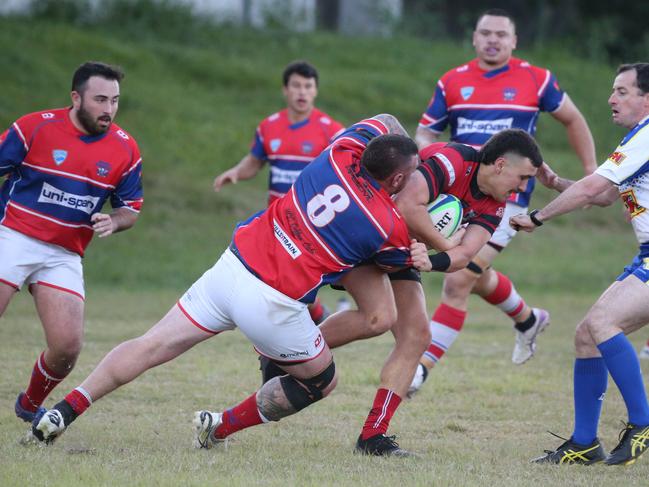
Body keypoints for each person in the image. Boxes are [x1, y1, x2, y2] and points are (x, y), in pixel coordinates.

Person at [30, 115, 431, 449]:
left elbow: (382, 120)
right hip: (272, 306)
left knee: (150, 345)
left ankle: (63, 410)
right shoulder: (386, 224)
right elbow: (398, 267)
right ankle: (217, 427)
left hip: (231, 268)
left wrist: (402, 143)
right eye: (411, 176)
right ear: (396, 182)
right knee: (322, 382)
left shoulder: (339, 151)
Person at [260, 129, 544, 456]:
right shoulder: (456, 160)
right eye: (522, 178)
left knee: (413, 334)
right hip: (369, 231)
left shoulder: (494, 205)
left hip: (402, 249)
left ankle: (372, 436)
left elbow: (465, 256)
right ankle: (286, 353)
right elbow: (409, 206)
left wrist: (432, 261)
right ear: (500, 164)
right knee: (379, 318)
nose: (523, 188)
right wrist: (442, 244)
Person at [409, 8, 597, 393]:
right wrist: (431, 159)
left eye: (501, 34)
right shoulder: (452, 82)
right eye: (485, 33)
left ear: (514, 41)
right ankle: (528, 319)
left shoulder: (537, 80)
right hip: (459, 195)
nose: (493, 39)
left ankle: (421, 368)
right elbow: (425, 133)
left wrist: (592, 172)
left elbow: (574, 120)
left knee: (459, 278)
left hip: (507, 198)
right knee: (474, 272)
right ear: (474, 38)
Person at [511, 63, 649, 466]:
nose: (611, 99)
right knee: (587, 334)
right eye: (613, 90)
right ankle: (585, 443)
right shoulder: (637, 140)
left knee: (603, 324)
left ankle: (642, 423)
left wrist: (538, 216)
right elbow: (603, 195)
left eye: (622, 91)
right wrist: (556, 184)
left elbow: (594, 187)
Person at [0, 61, 143, 424]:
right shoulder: (34, 128)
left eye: (115, 101)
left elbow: (131, 208)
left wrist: (115, 220)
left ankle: (30, 405)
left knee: (67, 348)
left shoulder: (125, 150)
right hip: (12, 234)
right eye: (100, 100)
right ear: (76, 97)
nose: (108, 109)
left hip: (63, 253)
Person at [213, 60, 345, 325]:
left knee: (295, 280)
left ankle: (329, 312)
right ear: (285, 90)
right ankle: (317, 318)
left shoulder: (332, 131)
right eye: (296, 85)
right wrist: (236, 172)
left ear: (315, 91)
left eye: (308, 86)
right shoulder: (268, 127)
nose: (302, 92)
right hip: (278, 220)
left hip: (314, 221)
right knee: (283, 280)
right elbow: (255, 161)